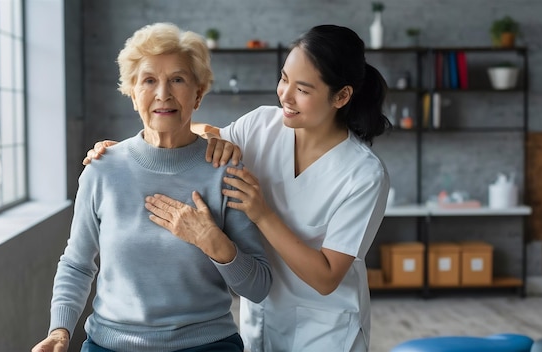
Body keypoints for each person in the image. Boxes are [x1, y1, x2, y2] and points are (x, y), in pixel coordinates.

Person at [84, 24, 390, 352]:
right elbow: (189, 135)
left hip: (326, 331)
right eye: (284, 79)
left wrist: (261, 214)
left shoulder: (364, 175)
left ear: (341, 96)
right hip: (260, 316)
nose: (285, 95)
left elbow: (327, 277)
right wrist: (126, 153)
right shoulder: (260, 125)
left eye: (303, 89)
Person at [32, 22, 272, 352]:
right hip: (110, 345)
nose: (163, 93)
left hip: (206, 345)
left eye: (177, 79)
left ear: (198, 93)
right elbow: (77, 263)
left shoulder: (224, 170)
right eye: (149, 80)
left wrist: (215, 243)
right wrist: (60, 331)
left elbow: (259, 287)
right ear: (132, 94)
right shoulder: (102, 168)